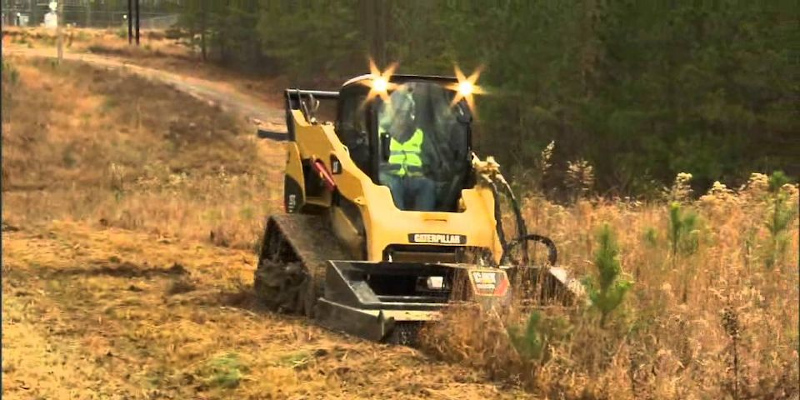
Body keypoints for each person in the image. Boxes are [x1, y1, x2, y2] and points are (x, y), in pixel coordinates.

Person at [379, 87, 437, 211]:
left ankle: (424, 222)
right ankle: (397, 221)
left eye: (407, 113)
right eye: (400, 113)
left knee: (428, 185)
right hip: (389, 176)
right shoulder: (379, 133)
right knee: (392, 186)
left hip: (413, 178)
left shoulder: (419, 135)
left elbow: (431, 158)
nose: (403, 117)